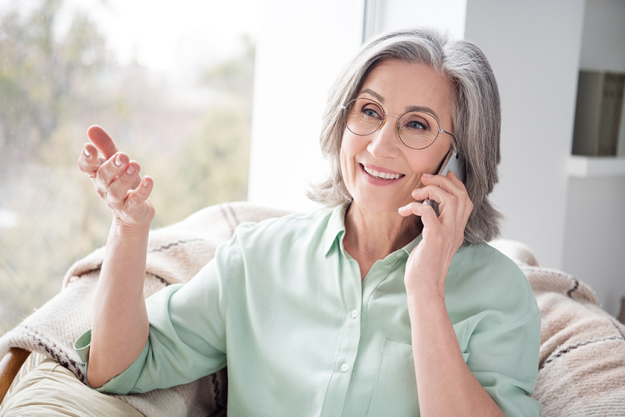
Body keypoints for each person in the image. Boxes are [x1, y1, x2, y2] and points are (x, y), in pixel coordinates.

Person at [75, 28, 541, 416]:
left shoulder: (499, 294)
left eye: (417, 125)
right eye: (370, 112)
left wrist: (425, 291)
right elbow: (116, 368)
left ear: (459, 160)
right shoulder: (258, 257)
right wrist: (129, 228)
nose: (379, 147)